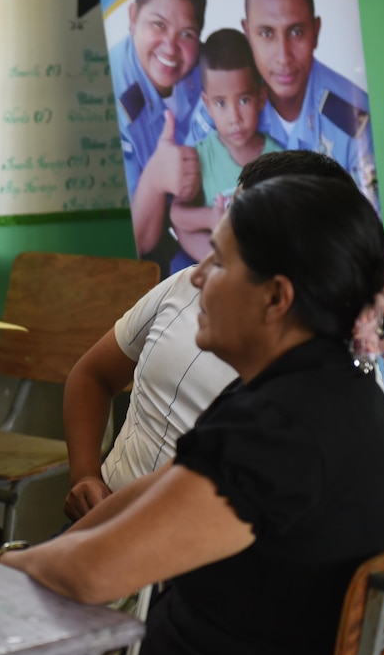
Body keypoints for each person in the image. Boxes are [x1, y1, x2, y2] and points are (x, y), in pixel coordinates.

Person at [5, 173, 384, 655]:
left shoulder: (281, 431)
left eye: (221, 263)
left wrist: (4, 568)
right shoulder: (321, 387)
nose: (198, 277)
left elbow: (92, 575)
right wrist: (44, 556)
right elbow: (150, 495)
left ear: (277, 296)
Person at [65, 149, 361, 521]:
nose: (202, 275)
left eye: (242, 222)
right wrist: (86, 475)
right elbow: (92, 375)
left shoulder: (314, 387)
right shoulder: (186, 285)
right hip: (103, 525)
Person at [190, 0, 378, 210]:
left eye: (296, 32)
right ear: (248, 34)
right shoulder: (225, 98)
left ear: (315, 31)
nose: (283, 56)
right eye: (267, 33)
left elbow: (369, 225)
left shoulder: (352, 121)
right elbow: (185, 199)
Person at [108, 0, 208, 266]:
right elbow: (135, 243)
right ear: (133, 16)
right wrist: (155, 178)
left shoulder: (204, 67)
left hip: (198, 217)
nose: (170, 47)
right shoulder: (108, 95)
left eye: (186, 33)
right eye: (158, 25)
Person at [169, 28, 281, 273]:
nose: (234, 118)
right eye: (221, 103)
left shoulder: (278, 158)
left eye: (243, 100)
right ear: (207, 105)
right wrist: (209, 218)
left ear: (261, 97)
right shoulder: (200, 156)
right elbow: (177, 214)